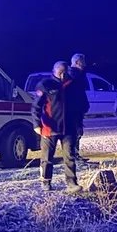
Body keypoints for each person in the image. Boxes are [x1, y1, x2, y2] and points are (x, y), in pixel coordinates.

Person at [32, 60, 80, 192]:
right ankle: (46, 181)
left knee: (69, 156)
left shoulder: (72, 85)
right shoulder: (45, 85)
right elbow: (36, 106)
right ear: (55, 72)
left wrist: (78, 124)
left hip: (68, 128)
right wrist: (36, 124)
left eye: (65, 72)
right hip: (49, 128)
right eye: (60, 73)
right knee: (47, 158)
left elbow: (77, 106)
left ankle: (72, 182)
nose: (63, 75)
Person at [63, 53, 91, 163]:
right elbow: (74, 94)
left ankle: (75, 155)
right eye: (83, 61)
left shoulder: (79, 74)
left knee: (78, 132)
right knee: (75, 133)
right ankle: (73, 156)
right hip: (73, 110)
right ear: (77, 62)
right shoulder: (72, 75)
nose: (85, 64)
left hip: (77, 109)